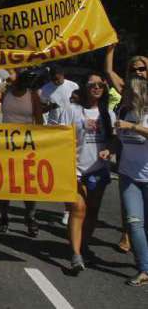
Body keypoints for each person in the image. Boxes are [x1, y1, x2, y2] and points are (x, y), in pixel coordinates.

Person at [59, 73, 116, 274]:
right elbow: (58, 136)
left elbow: (112, 140)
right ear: (84, 87)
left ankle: (84, 246)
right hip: (74, 168)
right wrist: (81, 125)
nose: (97, 87)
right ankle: (75, 254)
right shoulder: (72, 110)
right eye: (92, 84)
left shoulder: (109, 113)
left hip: (98, 170)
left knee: (92, 211)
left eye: (101, 84)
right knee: (78, 209)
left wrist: (109, 150)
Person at [105, 43, 148, 253]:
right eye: (134, 70)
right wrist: (109, 48)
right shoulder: (126, 91)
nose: (138, 73)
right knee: (128, 202)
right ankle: (126, 233)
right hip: (127, 151)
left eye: (142, 69)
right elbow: (108, 71)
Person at [0, 69, 44, 236]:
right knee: (4, 185)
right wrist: (2, 85)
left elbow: (39, 121)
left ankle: (30, 218)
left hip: (26, 149)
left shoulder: (32, 96)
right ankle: (3, 217)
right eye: (19, 77)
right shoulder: (5, 93)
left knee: (28, 186)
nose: (23, 81)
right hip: (6, 147)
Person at [115, 74, 148, 286]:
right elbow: (118, 140)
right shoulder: (122, 111)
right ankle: (144, 269)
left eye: (127, 92)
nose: (123, 95)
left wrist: (132, 127)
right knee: (134, 223)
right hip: (128, 175)